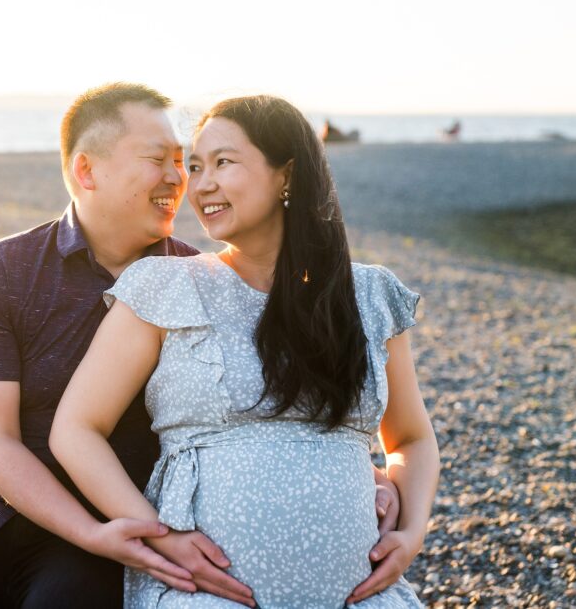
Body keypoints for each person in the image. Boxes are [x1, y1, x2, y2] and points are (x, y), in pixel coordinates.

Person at [0, 84, 402, 608]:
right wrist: (94, 532)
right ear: (86, 169)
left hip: (117, 517)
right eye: (161, 161)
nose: (182, 179)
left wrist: (356, 472)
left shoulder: (206, 282)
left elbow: (263, 406)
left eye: (187, 162)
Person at [51, 95, 439, 607]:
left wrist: (410, 534)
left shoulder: (368, 295)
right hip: (204, 594)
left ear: (288, 175)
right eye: (195, 166)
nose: (201, 183)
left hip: (362, 596)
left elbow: (410, 437)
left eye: (223, 162)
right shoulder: (165, 286)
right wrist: (157, 537)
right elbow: (76, 430)